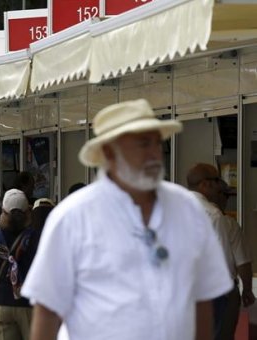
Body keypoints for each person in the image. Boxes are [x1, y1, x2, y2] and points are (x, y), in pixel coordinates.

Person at [21, 99, 233, 340]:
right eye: (143, 144)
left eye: (156, 143)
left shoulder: (187, 210)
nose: (154, 153)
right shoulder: (73, 218)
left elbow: (203, 298)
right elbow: (48, 311)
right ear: (110, 152)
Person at [187, 164, 255, 340]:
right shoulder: (214, 215)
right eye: (217, 181)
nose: (220, 186)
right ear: (205, 185)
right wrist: (244, 290)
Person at [0, 189, 39, 340]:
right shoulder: (36, 237)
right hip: (29, 302)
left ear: (3, 211)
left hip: (1, 302)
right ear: (27, 211)